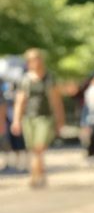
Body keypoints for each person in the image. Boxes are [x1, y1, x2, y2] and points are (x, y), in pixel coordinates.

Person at [11, 48, 65, 189]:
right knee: (33, 149)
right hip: (29, 117)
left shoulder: (49, 78)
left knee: (40, 147)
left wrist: (60, 120)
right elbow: (20, 101)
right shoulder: (25, 79)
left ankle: (36, 175)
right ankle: (37, 174)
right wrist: (16, 120)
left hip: (45, 117)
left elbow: (56, 101)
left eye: (37, 58)